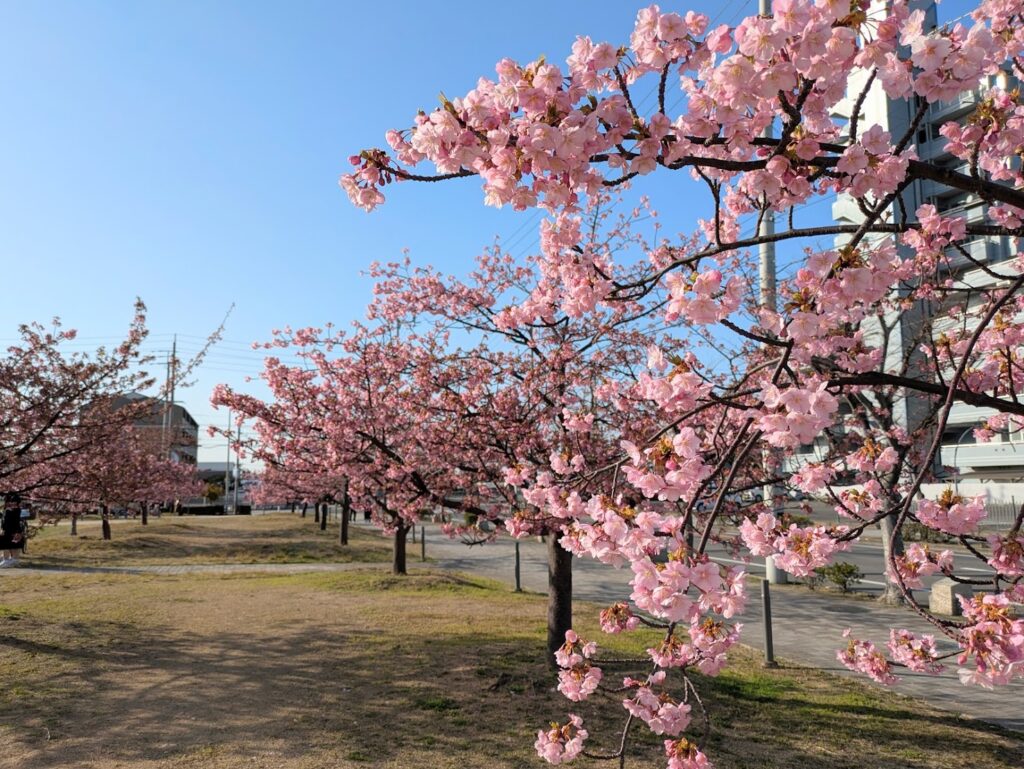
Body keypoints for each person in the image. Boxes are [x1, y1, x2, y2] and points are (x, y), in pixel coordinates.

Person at [1, 492, 26, 567]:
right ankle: (12, 560)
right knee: (12, 544)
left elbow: (6, 521)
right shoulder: (15, 509)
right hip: (14, 529)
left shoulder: (11, 510)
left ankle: (9, 560)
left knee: (9, 544)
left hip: (11, 529)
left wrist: (3, 529)